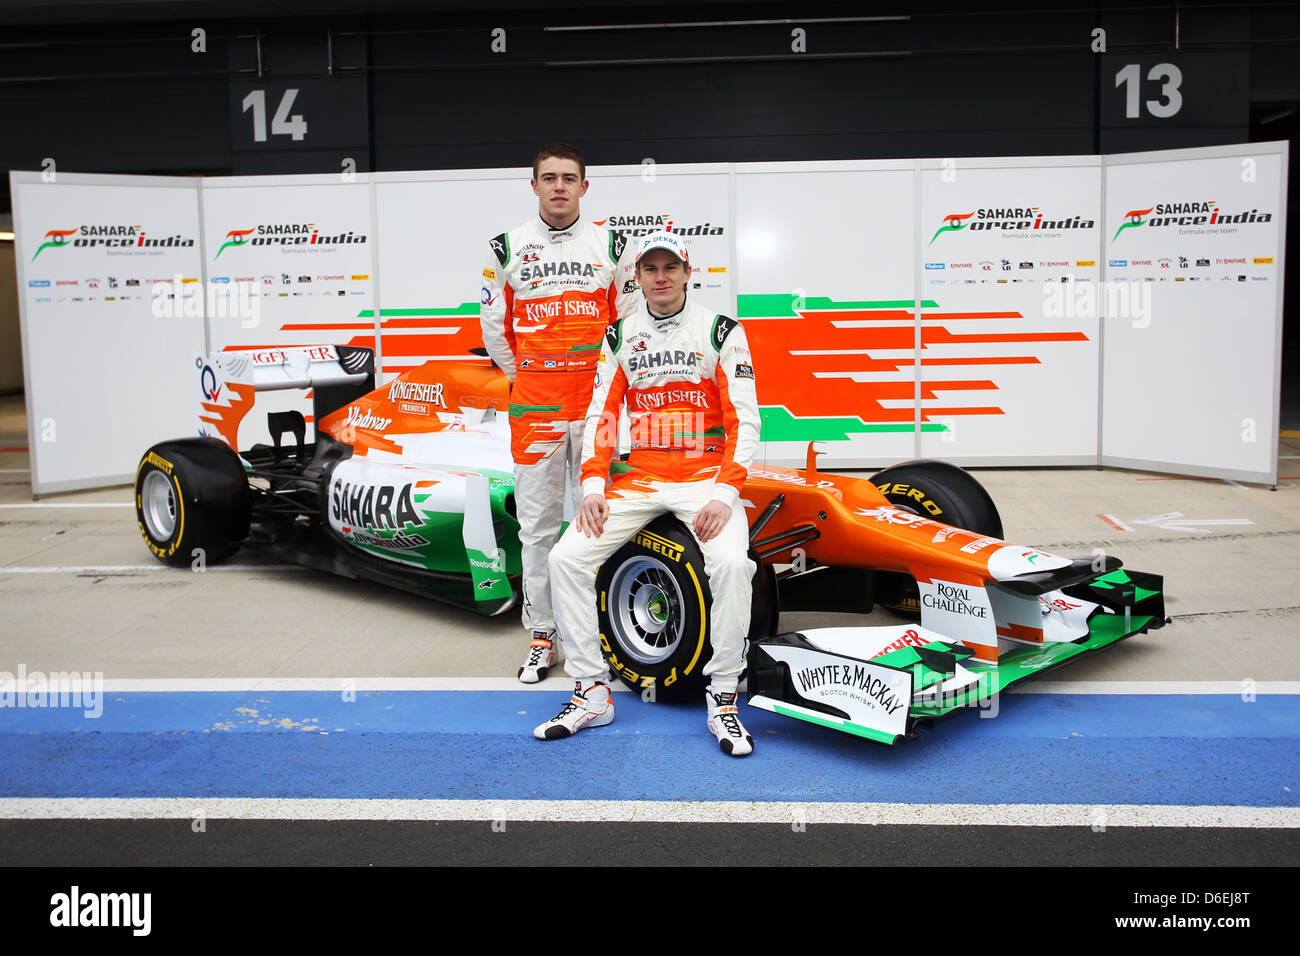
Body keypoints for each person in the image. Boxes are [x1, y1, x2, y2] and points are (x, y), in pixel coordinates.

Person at [534, 231, 762, 757]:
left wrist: (724, 495)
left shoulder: (722, 330)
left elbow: (745, 422)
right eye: (650, 269)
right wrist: (593, 485)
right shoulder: (618, 336)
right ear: (636, 277)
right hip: (639, 479)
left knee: (730, 565)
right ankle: (592, 692)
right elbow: (601, 417)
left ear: (688, 272)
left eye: (670, 268)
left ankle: (723, 696)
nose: (660, 277)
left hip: (705, 479)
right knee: (566, 558)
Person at [479, 143, 638, 683]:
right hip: (537, 407)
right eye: (549, 178)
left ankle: (607, 633)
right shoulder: (506, 248)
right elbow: (496, 333)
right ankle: (543, 635)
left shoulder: (613, 244)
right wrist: (530, 377)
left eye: (569, 178)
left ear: (584, 187)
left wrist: (607, 386)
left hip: (599, 407)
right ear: (534, 186)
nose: (559, 187)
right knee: (538, 529)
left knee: (608, 522)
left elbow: (632, 325)